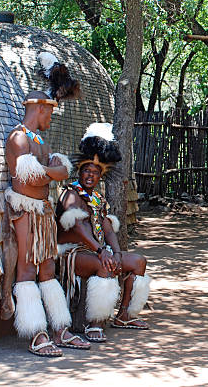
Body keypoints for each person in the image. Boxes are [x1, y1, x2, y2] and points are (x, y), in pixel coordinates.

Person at [3, 90, 90, 357]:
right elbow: (32, 179)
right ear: (39, 108)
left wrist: (49, 173)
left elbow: (59, 173)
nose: (52, 116)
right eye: (50, 111)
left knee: (48, 270)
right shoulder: (18, 138)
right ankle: (35, 334)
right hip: (26, 211)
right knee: (27, 270)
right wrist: (52, 172)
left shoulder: (39, 139)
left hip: (42, 212)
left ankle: (59, 329)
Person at [56, 123, 151, 343]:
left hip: (96, 251)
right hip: (71, 254)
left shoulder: (98, 199)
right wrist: (101, 252)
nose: (90, 175)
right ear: (79, 172)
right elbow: (79, 227)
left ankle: (125, 315)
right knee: (104, 266)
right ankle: (95, 323)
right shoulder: (71, 194)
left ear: (100, 176)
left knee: (138, 262)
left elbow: (107, 228)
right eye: (86, 171)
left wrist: (116, 252)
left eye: (95, 173)